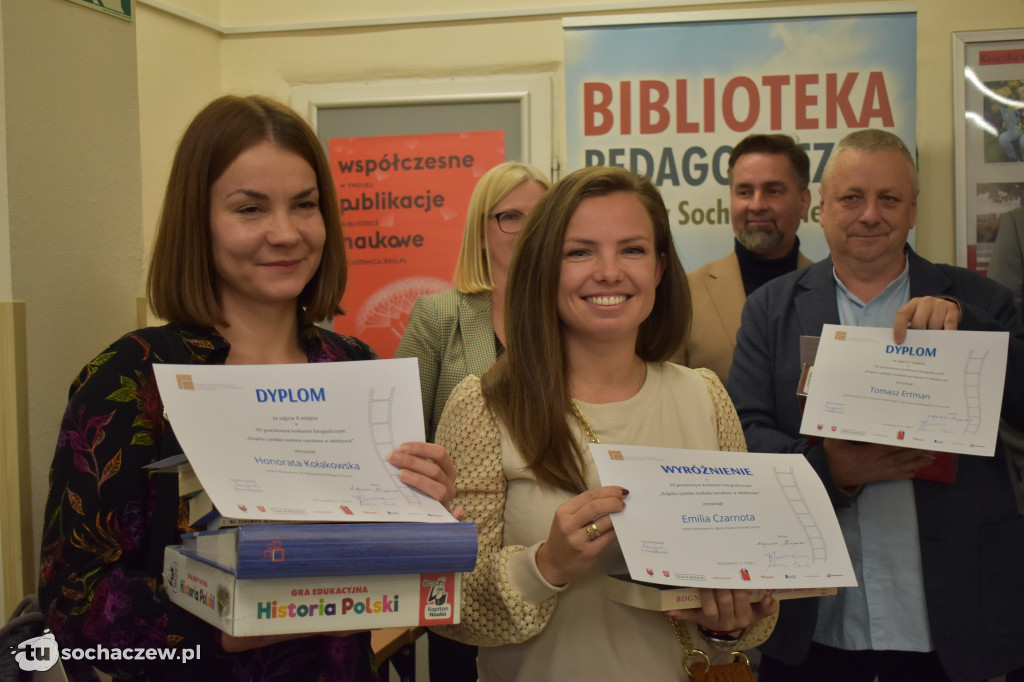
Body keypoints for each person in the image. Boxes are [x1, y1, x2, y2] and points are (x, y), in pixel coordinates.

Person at [37, 95, 459, 682]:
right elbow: (74, 606)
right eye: (250, 209)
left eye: (304, 205)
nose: (284, 233)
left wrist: (424, 509)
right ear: (198, 220)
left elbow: (385, 559)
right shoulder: (131, 379)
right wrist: (233, 624)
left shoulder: (354, 367)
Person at [430, 166, 778, 681]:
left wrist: (729, 623)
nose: (610, 271)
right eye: (580, 252)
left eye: (632, 249)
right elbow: (448, 605)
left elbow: (754, 602)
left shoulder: (705, 397)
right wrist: (545, 566)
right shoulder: (483, 405)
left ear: (660, 268)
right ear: (544, 268)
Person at [727, 129, 1024, 682]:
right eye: (851, 198)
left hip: (950, 625)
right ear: (821, 207)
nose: (870, 215)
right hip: (814, 624)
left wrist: (970, 330)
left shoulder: (981, 302)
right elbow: (744, 433)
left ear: (913, 209)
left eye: (889, 199)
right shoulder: (772, 310)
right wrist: (829, 470)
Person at [394, 160, 548, 680]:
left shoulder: (571, 316)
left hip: (548, 553)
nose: (528, 231)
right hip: (460, 549)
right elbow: (399, 439)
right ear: (481, 230)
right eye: (511, 217)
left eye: (542, 215)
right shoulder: (438, 316)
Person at [671, 133, 814, 382]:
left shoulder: (831, 291)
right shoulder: (685, 294)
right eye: (745, 192)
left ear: (804, 202)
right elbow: (665, 397)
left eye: (773, 191)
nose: (757, 205)